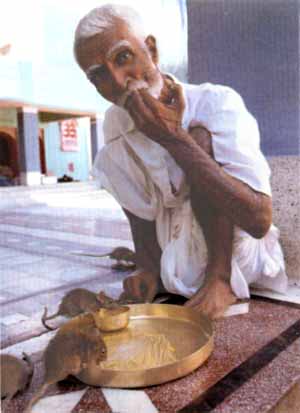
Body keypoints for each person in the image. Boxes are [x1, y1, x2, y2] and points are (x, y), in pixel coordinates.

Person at [73, 4, 287, 319]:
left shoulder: (215, 101)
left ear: (151, 50)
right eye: (100, 74)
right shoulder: (116, 124)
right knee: (118, 156)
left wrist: (173, 137)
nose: (118, 81)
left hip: (240, 258)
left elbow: (258, 220)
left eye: (123, 57)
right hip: (173, 262)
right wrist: (147, 270)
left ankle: (220, 281)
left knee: (197, 139)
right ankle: (173, 277)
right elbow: (139, 209)